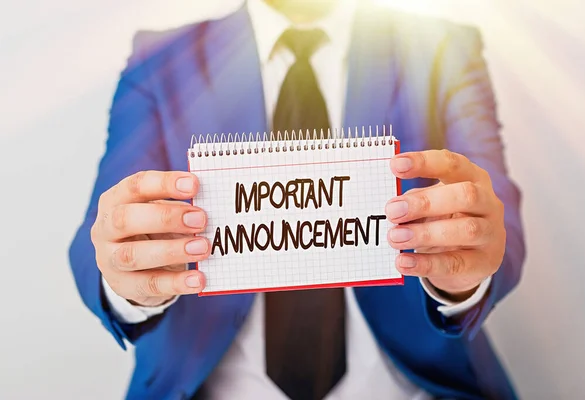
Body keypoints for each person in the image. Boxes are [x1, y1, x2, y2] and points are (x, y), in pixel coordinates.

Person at [68, 0, 525, 399]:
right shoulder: (159, 61)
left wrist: (465, 274)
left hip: (415, 386)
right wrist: (128, 278)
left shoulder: (443, 46)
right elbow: (99, 236)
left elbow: (496, 214)